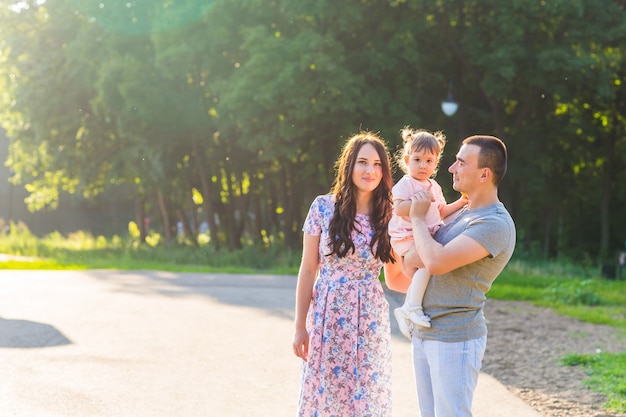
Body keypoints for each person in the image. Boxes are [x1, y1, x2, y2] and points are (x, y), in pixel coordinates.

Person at [386, 135, 516, 417]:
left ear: (484, 174)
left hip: (455, 338)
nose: (450, 168)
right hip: (425, 333)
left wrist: (418, 218)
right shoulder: (461, 215)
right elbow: (405, 270)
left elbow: (435, 261)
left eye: (460, 162)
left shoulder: (493, 223)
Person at [292, 131, 407, 416]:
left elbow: (394, 277)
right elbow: (308, 269)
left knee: (365, 392)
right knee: (327, 392)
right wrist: (299, 326)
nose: (371, 170)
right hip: (328, 314)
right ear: (349, 166)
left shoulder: (390, 215)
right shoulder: (322, 207)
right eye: (363, 162)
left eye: (378, 164)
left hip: (369, 316)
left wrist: (433, 283)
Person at [389, 127, 468, 337]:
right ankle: (411, 307)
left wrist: (460, 202)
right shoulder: (406, 183)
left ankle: (413, 307)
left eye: (429, 161)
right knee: (428, 262)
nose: (423, 165)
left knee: (430, 268)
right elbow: (398, 208)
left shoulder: (434, 186)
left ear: (435, 163)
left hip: (424, 237)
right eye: (417, 160)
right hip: (406, 237)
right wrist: (418, 203)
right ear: (407, 160)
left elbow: (441, 211)